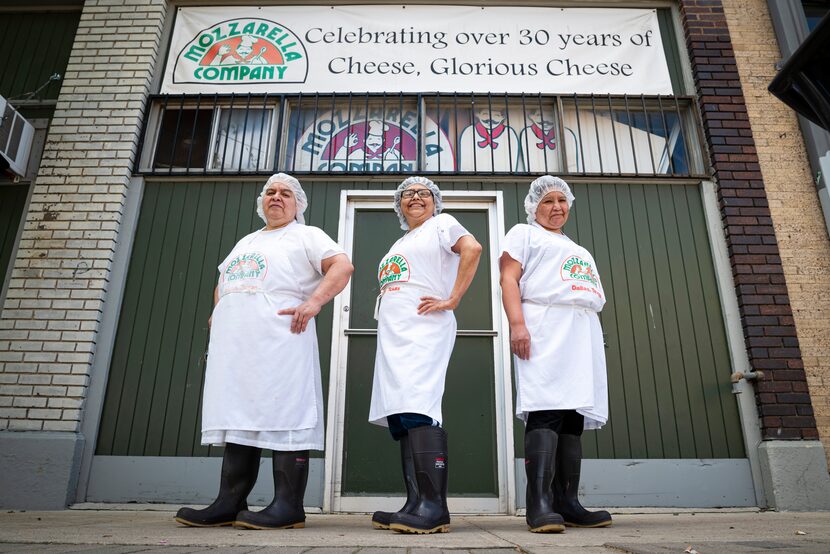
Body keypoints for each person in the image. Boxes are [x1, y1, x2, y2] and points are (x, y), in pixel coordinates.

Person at [175, 173, 353, 530]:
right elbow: (224, 280)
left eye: (285, 193)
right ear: (261, 202)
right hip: (238, 348)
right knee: (240, 413)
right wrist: (218, 314)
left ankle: (288, 506)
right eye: (270, 192)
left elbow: (343, 266)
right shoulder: (247, 241)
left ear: (297, 203)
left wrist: (314, 302)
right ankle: (229, 502)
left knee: (287, 412)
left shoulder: (306, 235)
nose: (276, 197)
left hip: (282, 340)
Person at [369, 176, 482, 534]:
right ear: (399, 205)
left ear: (435, 201)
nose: (415, 198)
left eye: (423, 194)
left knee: (420, 407)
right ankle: (414, 503)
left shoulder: (442, 225)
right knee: (402, 415)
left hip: (423, 331)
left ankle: (434, 507)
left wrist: (453, 298)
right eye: (407, 194)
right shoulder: (400, 241)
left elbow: (473, 249)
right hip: (395, 336)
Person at [499, 175, 611, 533]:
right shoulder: (524, 233)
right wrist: (517, 324)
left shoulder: (578, 248)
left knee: (572, 415)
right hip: (544, 326)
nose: (557, 208)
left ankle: (568, 502)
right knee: (546, 407)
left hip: (580, 332)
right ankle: (540, 504)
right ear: (534, 206)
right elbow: (508, 279)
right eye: (548, 201)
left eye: (562, 201)